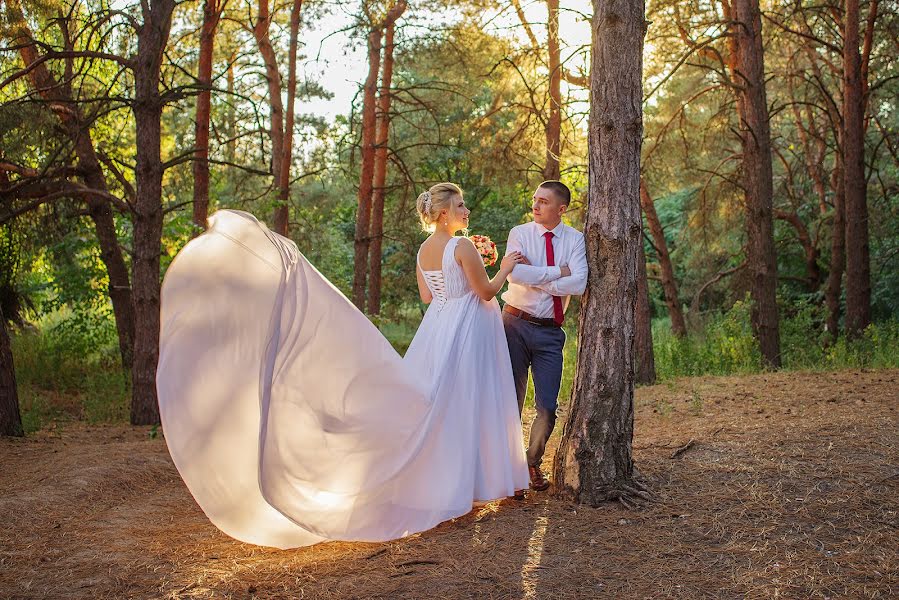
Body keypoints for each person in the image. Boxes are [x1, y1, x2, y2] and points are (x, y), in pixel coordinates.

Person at [156, 182, 529, 550]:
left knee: (439, 403)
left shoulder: (423, 251)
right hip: (468, 325)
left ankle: (451, 481)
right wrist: (506, 267)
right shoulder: (461, 245)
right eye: (460, 206)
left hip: (439, 325)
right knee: (469, 399)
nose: (466, 211)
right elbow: (484, 292)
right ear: (444, 213)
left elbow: (428, 295)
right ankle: (474, 482)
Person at [501, 180, 588, 491]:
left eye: (544, 202)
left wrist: (538, 274)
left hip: (551, 333)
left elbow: (578, 284)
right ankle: (505, 472)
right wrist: (556, 272)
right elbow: (514, 274)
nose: (535, 206)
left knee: (547, 407)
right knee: (510, 401)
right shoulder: (519, 233)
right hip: (513, 325)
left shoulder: (576, 240)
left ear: (561, 209)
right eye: (534, 199)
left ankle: (531, 462)